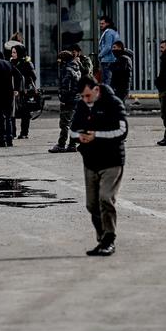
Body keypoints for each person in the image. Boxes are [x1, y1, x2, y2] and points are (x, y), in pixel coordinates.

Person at [69, 76, 128, 257]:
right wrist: (80, 137)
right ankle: (102, 239)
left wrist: (97, 136)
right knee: (92, 205)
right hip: (90, 161)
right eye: (82, 97)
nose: (85, 100)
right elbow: (71, 130)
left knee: (105, 198)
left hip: (112, 160)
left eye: (87, 96)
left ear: (96, 89)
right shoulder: (81, 105)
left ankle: (109, 240)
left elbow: (123, 131)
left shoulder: (113, 102)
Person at [49, 51, 83, 153]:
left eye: (59, 60)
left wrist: (63, 99)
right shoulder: (77, 68)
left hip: (68, 100)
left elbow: (65, 87)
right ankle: (72, 144)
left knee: (64, 124)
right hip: (76, 99)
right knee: (73, 123)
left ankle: (61, 144)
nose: (58, 62)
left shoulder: (67, 70)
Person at [11, 44, 38, 140]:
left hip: (25, 91)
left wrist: (24, 79)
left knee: (25, 113)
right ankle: (12, 132)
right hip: (14, 90)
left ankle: (24, 133)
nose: (13, 54)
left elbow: (34, 77)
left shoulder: (27, 63)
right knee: (12, 112)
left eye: (14, 52)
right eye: (12, 52)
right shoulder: (11, 62)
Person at [98, 16, 121, 88]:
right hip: (113, 59)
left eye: (102, 23)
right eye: (100, 24)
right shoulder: (114, 32)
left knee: (106, 80)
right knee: (111, 79)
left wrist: (100, 55)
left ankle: (107, 95)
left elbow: (108, 46)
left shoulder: (108, 32)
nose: (101, 25)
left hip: (107, 59)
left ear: (107, 23)